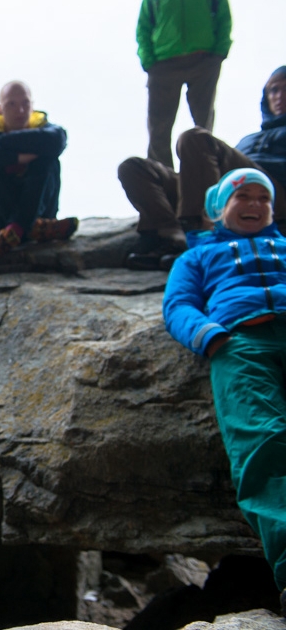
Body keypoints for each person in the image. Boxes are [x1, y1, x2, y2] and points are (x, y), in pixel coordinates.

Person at [162, 168, 286, 613]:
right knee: (263, 442)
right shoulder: (196, 257)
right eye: (243, 197)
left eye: (263, 198)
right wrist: (210, 335)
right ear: (220, 208)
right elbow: (178, 305)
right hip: (242, 343)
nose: (254, 205)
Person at [119, 66, 286, 270]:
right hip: (229, 193)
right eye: (274, 90)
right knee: (134, 168)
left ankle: (201, 232)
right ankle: (171, 237)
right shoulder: (249, 139)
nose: (279, 96)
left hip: (273, 197)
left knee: (195, 138)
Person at [0, 81, 78, 262]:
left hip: (42, 218)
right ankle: (27, 226)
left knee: (47, 159)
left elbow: (57, 139)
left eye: (25, 104)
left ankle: (19, 227)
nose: (20, 111)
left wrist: (0, 143)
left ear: (33, 106)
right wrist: (18, 158)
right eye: (11, 104)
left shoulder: (45, 128)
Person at [136, 0, 232, 169]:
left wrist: (219, 52)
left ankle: (203, 170)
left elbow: (223, 18)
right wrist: (149, 61)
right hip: (163, 64)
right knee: (158, 126)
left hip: (203, 60)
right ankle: (162, 177)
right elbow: (143, 28)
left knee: (203, 122)